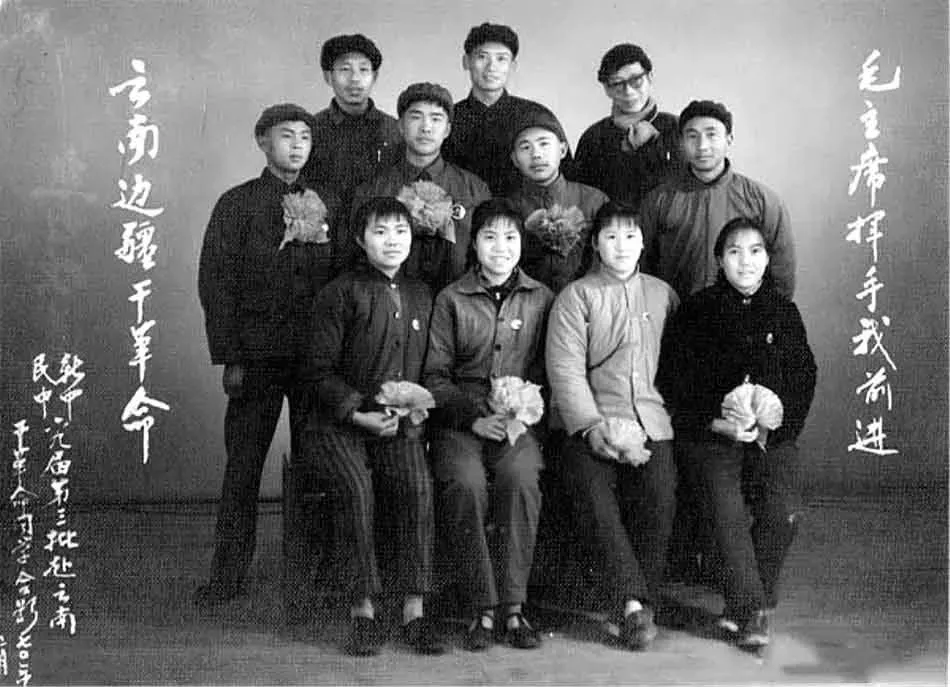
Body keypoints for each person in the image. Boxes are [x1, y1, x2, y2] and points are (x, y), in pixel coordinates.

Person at [195, 103, 341, 609]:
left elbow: (338, 281)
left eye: (305, 137)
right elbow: (215, 283)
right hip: (256, 356)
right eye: (285, 136)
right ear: (262, 141)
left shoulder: (326, 203)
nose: (297, 146)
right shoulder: (236, 204)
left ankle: (312, 576)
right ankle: (228, 574)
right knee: (243, 466)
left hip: (313, 360)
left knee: (315, 463)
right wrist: (231, 357)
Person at [656, 217, 817, 649]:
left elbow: (803, 378)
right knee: (724, 510)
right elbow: (673, 382)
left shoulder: (783, 311)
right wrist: (716, 420)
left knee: (783, 509)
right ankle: (750, 611)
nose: (745, 261)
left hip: (770, 437)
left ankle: (749, 596)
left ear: (767, 258)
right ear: (719, 261)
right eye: (734, 252)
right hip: (710, 435)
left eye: (755, 251)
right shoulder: (697, 310)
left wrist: (774, 423)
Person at [302, 197, 444, 657]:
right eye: (380, 232)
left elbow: (428, 370)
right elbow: (316, 372)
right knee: (355, 487)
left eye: (401, 231)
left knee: (417, 485)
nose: (392, 241)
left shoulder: (422, 294)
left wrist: (410, 410)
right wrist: (356, 413)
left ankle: (414, 609)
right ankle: (362, 609)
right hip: (339, 424)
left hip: (396, 424)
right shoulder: (339, 293)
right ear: (361, 240)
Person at [545, 202, 678, 650]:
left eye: (630, 236)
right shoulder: (576, 297)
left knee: (660, 495)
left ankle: (639, 601)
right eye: (611, 237)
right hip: (592, 421)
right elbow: (565, 370)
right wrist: (590, 427)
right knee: (595, 499)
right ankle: (630, 605)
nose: (622, 246)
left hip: (651, 422)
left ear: (643, 242)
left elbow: (680, 366)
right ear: (595, 244)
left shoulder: (663, 294)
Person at [424, 199, 554, 651]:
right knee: (465, 482)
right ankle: (482, 607)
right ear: (474, 243)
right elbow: (434, 377)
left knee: (520, 478)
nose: (501, 247)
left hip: (518, 421)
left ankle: (514, 608)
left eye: (511, 237)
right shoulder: (451, 298)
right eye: (490, 236)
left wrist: (521, 412)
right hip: (461, 420)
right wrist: (474, 418)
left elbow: (548, 371)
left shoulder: (542, 298)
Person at [640, 100, 796, 301]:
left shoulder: (762, 201)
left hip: (743, 314)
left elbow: (782, 271)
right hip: (677, 313)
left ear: (729, 139)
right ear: (681, 142)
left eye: (712, 135)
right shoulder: (659, 200)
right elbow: (644, 267)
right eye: (692, 136)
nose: (702, 146)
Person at [349, 82, 491, 294]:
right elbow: (356, 259)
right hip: (388, 300)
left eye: (436, 119)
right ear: (400, 126)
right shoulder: (373, 190)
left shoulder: (474, 189)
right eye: (416, 117)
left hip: (459, 301)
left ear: (447, 130)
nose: (426, 127)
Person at [442, 22, 573, 195]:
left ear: (513, 66)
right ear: (466, 62)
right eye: (482, 57)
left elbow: (568, 180)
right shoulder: (448, 119)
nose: (491, 67)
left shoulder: (537, 115)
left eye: (501, 59)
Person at [507, 108, 608, 293]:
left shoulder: (595, 200)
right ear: (514, 159)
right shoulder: (508, 207)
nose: (536, 154)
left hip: (587, 299)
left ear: (562, 150)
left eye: (544, 144)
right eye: (525, 147)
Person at [301, 34, 402, 213]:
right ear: (328, 76)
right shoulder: (310, 131)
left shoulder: (394, 130)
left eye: (363, 69)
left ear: (375, 76)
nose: (355, 78)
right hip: (325, 227)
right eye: (345, 69)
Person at [574, 43, 681, 212]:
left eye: (636, 80)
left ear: (650, 77)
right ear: (607, 89)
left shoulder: (677, 128)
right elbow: (583, 198)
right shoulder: (593, 138)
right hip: (614, 226)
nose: (628, 91)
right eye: (617, 83)